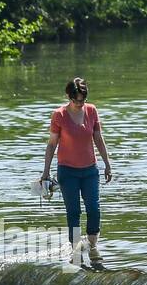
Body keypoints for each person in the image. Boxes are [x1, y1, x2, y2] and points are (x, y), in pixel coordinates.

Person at [40, 77, 113, 269]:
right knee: (73, 211)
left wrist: (107, 164)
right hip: (68, 171)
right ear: (69, 97)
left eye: (83, 100)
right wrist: (45, 172)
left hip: (90, 170)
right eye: (76, 100)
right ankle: (75, 249)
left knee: (94, 209)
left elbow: (98, 138)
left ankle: (93, 247)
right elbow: (52, 144)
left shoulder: (91, 110)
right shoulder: (59, 115)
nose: (80, 104)